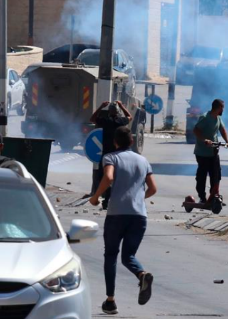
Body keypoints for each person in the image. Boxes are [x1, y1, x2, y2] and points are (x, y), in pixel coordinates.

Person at [90, 126, 157, 315]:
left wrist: (95, 197)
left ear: (115, 142)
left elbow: (109, 177)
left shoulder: (111, 157)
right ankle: (141, 274)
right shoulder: (143, 161)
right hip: (139, 216)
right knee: (128, 256)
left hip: (117, 214)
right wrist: (137, 199)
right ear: (132, 141)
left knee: (111, 255)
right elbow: (153, 188)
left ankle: (110, 301)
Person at [89, 101, 132, 207]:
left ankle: (105, 200)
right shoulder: (121, 121)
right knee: (118, 177)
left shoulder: (106, 121)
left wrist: (101, 106)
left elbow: (92, 119)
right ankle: (114, 199)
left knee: (104, 177)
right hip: (119, 154)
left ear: (109, 112)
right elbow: (129, 116)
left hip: (106, 155)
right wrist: (122, 106)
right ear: (117, 113)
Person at [192, 99, 228, 203]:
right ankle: (202, 197)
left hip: (213, 152)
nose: (223, 109)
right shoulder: (205, 117)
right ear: (218, 108)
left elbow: (223, 130)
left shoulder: (218, 118)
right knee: (202, 175)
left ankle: (214, 195)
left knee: (216, 174)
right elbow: (196, 130)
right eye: (222, 107)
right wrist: (204, 140)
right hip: (202, 152)